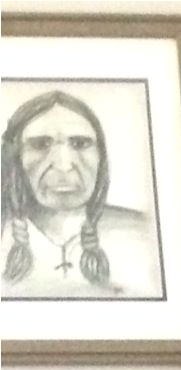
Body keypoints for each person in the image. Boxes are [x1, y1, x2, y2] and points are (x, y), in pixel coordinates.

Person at [1, 87, 161, 297]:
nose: (64, 165)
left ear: (101, 157)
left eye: (80, 144)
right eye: (40, 145)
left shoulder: (145, 236)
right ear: (14, 158)